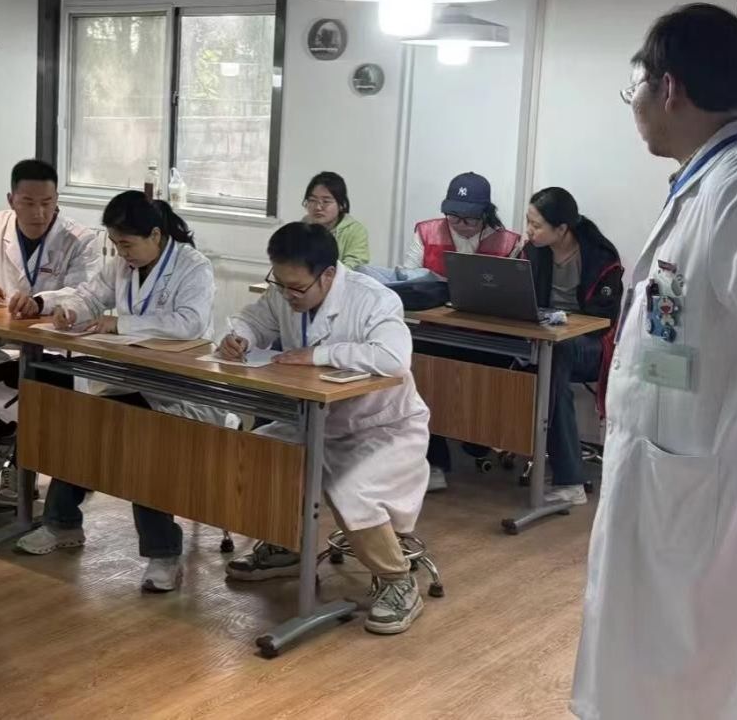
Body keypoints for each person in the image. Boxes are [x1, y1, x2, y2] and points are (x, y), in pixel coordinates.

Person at [572, 4, 737, 720]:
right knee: (656, 666)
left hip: (704, 488)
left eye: (635, 87)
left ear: (668, 88)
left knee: (701, 678)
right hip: (674, 471)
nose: (634, 104)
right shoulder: (710, 183)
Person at [217, 223, 431, 635]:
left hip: (382, 427)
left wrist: (318, 354)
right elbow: (254, 319)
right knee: (257, 453)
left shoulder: (374, 299)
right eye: (280, 285)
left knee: (351, 488)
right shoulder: (286, 292)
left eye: (297, 288)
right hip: (316, 420)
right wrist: (239, 337)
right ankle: (287, 548)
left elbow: (394, 359)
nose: (287, 295)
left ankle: (398, 581)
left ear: (328, 274)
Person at [10, 190, 218, 593]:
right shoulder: (123, 264)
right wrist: (65, 308)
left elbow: (189, 324)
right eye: (116, 244)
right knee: (85, 425)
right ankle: (62, 524)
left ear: (154, 234)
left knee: (143, 443)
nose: (122, 253)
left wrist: (120, 324)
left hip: (179, 388)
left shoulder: (194, 266)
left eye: (127, 244)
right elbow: (91, 295)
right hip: (133, 381)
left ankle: (164, 554)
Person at [0, 158, 102, 502]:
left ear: (57, 200)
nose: (39, 213)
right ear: (11, 200)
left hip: (55, 344)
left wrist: (41, 302)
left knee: (35, 384)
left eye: (47, 203)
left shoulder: (80, 239)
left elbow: (86, 294)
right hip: (4, 338)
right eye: (28, 203)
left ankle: (21, 463)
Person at [406, 172, 522, 491]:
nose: (459, 224)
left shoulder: (509, 242)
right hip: (436, 332)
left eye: (469, 219)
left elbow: (513, 293)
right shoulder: (426, 232)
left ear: (485, 214)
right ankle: (435, 462)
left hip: (486, 337)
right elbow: (409, 279)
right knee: (426, 378)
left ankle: (480, 438)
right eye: (453, 216)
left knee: (490, 381)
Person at [522, 187, 623, 506]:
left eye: (536, 225)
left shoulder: (600, 257)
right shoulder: (533, 251)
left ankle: (571, 480)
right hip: (546, 339)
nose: (529, 231)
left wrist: (562, 323)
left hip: (592, 347)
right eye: (528, 222)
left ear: (562, 228)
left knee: (556, 357)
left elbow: (605, 319)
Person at [302, 171, 370, 269]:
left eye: (326, 201)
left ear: (341, 205)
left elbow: (355, 266)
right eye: (312, 200)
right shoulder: (300, 229)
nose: (318, 207)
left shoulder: (355, 231)